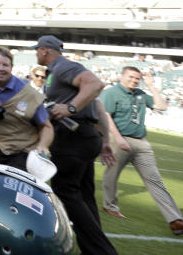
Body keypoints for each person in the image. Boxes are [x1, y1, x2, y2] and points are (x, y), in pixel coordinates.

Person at [33, 35, 118, 255]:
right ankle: (94, 249)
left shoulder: (62, 67)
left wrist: (70, 108)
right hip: (86, 136)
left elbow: (95, 84)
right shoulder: (58, 71)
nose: (35, 54)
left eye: (37, 50)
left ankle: (102, 251)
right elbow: (97, 105)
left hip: (73, 137)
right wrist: (105, 140)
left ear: (44, 51)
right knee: (84, 195)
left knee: (65, 191)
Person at [99, 66, 183, 235]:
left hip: (142, 143)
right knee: (112, 175)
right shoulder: (111, 93)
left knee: (155, 180)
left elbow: (161, 106)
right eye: (131, 77)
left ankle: (176, 221)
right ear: (122, 76)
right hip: (119, 139)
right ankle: (110, 206)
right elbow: (105, 116)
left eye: (137, 78)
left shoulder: (141, 93)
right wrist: (118, 139)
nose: (134, 80)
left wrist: (151, 85)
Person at [0, 47, 53, 171]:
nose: (1, 68)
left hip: (20, 151)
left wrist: (43, 146)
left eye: (5, 65)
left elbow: (46, 126)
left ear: (12, 67)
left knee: (10, 186)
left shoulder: (31, 95)